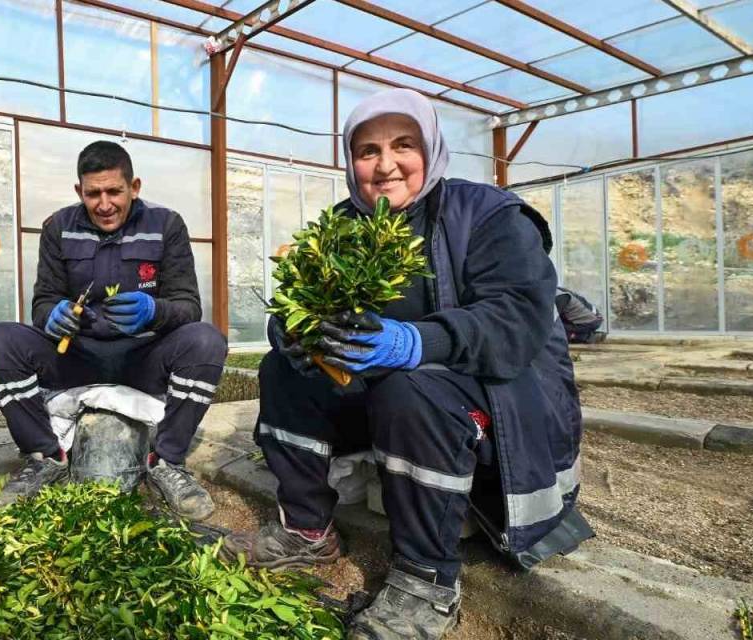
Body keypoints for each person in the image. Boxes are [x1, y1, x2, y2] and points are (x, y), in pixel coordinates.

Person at [222, 89, 591, 640]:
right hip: (397, 409)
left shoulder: (488, 215)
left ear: (432, 147)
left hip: (496, 412)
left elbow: (517, 320)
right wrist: (293, 332)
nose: (385, 164)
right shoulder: (343, 225)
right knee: (284, 371)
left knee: (409, 387)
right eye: (367, 150)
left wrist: (416, 341)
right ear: (351, 162)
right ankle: (306, 532)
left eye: (403, 145)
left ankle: (426, 580)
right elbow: (308, 300)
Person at [0, 141, 227, 520]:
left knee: (207, 341)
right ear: (80, 191)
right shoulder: (58, 228)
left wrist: (153, 311)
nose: (104, 204)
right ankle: (44, 456)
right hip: (77, 357)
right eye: (93, 193)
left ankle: (167, 462)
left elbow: (189, 307)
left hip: (143, 359)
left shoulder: (166, 225)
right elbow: (42, 301)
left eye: (115, 191)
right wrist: (52, 316)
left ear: (135, 187)